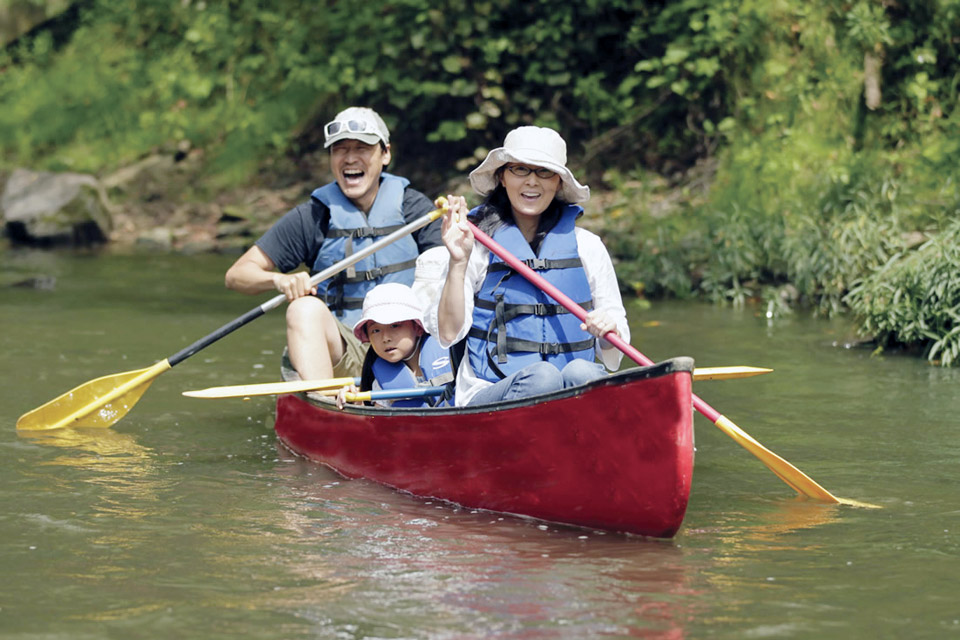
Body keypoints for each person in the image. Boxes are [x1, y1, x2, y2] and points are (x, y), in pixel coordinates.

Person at [225, 106, 443, 381]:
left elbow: (448, 272)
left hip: (411, 347)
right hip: (348, 350)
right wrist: (279, 281)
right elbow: (237, 275)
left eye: (361, 147)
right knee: (302, 308)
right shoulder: (314, 217)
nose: (350, 158)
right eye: (340, 149)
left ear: (385, 153)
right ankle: (326, 401)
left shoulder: (415, 209)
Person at [427, 125, 630, 406]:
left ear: (558, 182)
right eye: (520, 169)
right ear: (502, 177)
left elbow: (615, 349)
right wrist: (458, 262)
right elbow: (448, 333)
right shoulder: (474, 245)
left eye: (544, 171)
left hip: (571, 389)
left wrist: (609, 331)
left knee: (585, 372)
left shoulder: (588, 246)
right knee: (542, 378)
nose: (532, 181)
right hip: (489, 390)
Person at [336, 283, 453, 409]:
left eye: (395, 325)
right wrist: (355, 402)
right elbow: (375, 423)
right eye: (376, 330)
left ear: (418, 327)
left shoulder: (456, 359)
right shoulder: (380, 385)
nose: (385, 338)